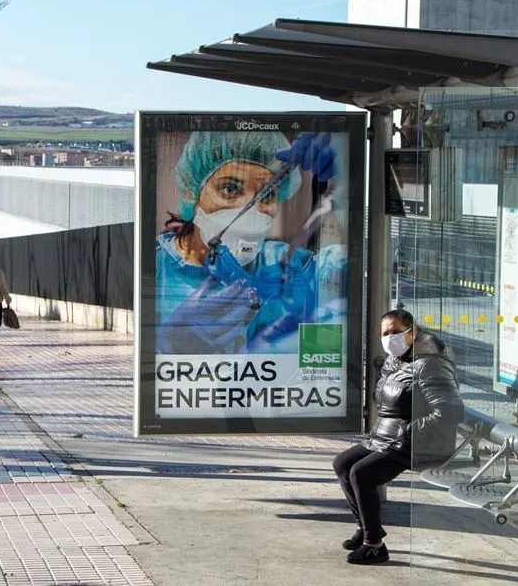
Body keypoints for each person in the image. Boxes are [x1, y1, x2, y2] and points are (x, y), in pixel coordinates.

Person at [154, 130, 343, 355]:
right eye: (230, 189)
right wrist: (167, 345)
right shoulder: (154, 265)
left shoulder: (287, 265)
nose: (251, 209)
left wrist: (348, 167)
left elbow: (345, 266)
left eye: (267, 194)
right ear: (191, 193)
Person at [332, 308, 464, 565]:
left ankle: (374, 545)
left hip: (416, 441)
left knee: (362, 473)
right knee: (343, 463)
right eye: (385, 333)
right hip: (386, 437)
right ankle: (368, 528)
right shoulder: (396, 359)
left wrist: (409, 431)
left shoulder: (430, 363)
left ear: (412, 332)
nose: (389, 337)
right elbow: (385, 400)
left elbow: (450, 411)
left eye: (395, 331)